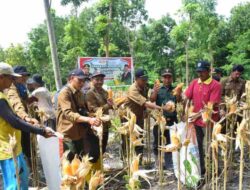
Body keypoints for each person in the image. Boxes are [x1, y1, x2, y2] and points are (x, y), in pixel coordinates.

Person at [0, 62, 53, 190]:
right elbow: (14, 121)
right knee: (14, 184)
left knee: (22, 179)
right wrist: (40, 131)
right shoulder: (1, 98)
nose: (13, 81)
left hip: (14, 146)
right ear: (1, 77)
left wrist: (29, 121)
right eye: (11, 78)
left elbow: (14, 117)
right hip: (7, 149)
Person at [184, 61, 221, 176]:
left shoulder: (215, 85)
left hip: (209, 122)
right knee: (198, 146)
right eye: (198, 72)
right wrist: (183, 105)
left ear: (208, 71)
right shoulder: (195, 82)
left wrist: (195, 114)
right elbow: (187, 96)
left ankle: (213, 169)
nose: (200, 74)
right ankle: (202, 169)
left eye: (202, 72)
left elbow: (210, 106)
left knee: (210, 146)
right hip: (196, 122)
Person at [56, 69, 101, 162]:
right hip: (68, 134)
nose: (82, 83)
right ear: (71, 79)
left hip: (79, 133)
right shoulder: (64, 93)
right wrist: (88, 120)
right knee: (70, 163)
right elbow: (68, 113)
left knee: (81, 160)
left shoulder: (80, 93)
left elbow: (82, 110)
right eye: (79, 80)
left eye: (83, 81)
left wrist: (92, 117)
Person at [125, 68, 165, 156]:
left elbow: (150, 99)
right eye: (143, 79)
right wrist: (162, 108)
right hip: (129, 118)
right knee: (129, 141)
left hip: (139, 116)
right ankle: (128, 162)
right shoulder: (133, 89)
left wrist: (155, 91)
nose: (145, 81)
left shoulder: (144, 87)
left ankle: (139, 159)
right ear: (136, 79)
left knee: (140, 138)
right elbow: (146, 103)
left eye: (146, 79)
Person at [4, 65, 39, 165]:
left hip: (24, 120)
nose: (25, 78)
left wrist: (30, 101)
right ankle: (27, 169)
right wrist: (26, 117)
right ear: (14, 77)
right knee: (23, 147)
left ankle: (32, 166)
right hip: (18, 122)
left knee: (30, 146)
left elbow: (23, 101)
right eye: (22, 75)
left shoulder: (22, 86)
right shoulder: (11, 88)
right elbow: (16, 104)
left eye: (26, 75)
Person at [150, 68, 181, 169]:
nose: (167, 80)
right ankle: (158, 162)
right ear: (162, 78)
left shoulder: (175, 89)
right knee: (157, 141)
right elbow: (152, 100)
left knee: (170, 141)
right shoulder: (158, 89)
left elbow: (179, 100)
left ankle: (169, 163)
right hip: (160, 120)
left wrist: (179, 93)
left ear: (172, 79)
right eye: (165, 77)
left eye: (169, 77)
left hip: (172, 120)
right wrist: (154, 91)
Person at [86, 71, 113, 157]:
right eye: (97, 79)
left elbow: (109, 106)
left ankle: (101, 167)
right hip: (96, 125)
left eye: (101, 79)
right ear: (92, 80)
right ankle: (96, 169)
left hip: (105, 124)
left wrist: (113, 105)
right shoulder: (90, 93)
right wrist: (107, 106)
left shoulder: (105, 92)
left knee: (103, 148)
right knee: (96, 149)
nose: (99, 82)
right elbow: (93, 110)